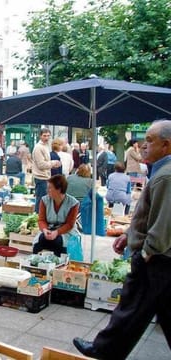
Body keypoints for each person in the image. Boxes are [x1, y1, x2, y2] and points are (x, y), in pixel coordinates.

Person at [73, 119, 171, 359]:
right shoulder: (162, 172)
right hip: (161, 259)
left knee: (131, 306)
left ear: (166, 145)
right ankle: (105, 348)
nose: (143, 146)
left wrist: (146, 253)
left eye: (149, 141)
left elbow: (163, 224)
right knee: (152, 309)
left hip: (157, 259)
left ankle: (104, 349)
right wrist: (129, 234)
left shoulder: (166, 176)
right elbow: (151, 215)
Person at [32, 174, 80, 257]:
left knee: (58, 242)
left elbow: (69, 224)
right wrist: (45, 230)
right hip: (49, 229)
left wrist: (57, 232)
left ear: (59, 189)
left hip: (66, 231)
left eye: (50, 188)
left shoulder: (73, 203)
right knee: (40, 240)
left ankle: (58, 264)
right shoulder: (44, 200)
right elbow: (41, 220)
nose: (47, 190)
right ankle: (36, 263)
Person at [32, 128, 61, 213]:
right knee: (41, 201)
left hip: (46, 177)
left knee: (45, 201)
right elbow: (41, 165)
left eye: (48, 136)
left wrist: (53, 165)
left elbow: (46, 163)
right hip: (41, 178)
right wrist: (53, 163)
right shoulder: (38, 147)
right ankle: (38, 218)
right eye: (44, 136)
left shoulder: (46, 146)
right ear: (40, 136)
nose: (46, 138)